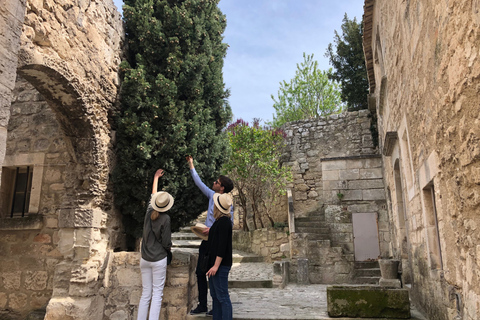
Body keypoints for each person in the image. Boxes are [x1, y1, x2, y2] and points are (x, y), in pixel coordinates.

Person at [186, 156, 234, 315]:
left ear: (222, 188)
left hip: (216, 244)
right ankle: (203, 304)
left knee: (217, 278)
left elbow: (227, 227)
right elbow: (199, 183)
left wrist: (212, 230)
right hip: (207, 242)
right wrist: (192, 165)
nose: (213, 183)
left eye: (217, 182)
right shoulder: (211, 196)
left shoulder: (227, 206)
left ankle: (218, 307)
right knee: (200, 272)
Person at [137, 169, 173, 320]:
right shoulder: (165, 219)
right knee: (157, 294)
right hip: (158, 259)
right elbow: (166, 242)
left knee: (146, 293)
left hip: (144, 258)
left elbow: (153, 194)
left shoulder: (148, 212)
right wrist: (169, 249)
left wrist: (155, 178)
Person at [206, 193, 234, 320]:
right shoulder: (219, 222)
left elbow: (222, 246)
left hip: (220, 265)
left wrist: (216, 266)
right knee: (215, 297)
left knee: (222, 297)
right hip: (214, 265)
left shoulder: (224, 222)